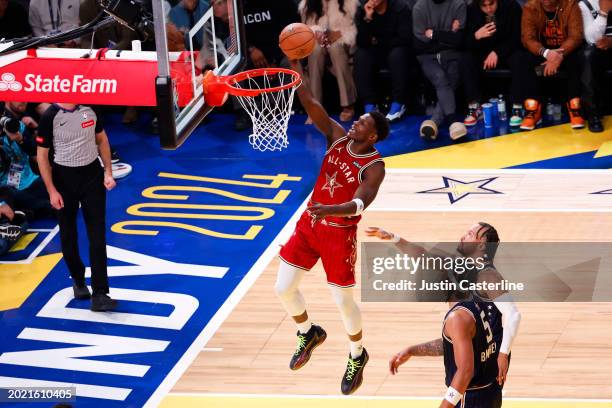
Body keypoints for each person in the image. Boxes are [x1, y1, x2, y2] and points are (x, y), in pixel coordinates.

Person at [276, 56, 389, 395]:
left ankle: (357, 354)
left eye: (363, 124)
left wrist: (330, 210)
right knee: (284, 288)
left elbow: (359, 202)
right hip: (311, 223)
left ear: (374, 137)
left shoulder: (375, 166)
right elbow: (311, 102)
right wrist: (295, 66)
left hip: (338, 233)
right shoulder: (337, 137)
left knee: (342, 300)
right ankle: (308, 332)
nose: (355, 124)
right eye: (358, 120)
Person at [366, 222, 521, 387]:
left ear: (482, 245)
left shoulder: (488, 276)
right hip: (478, 376)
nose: (462, 237)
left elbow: (514, 315)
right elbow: (423, 257)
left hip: (481, 375)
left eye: (469, 234)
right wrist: (393, 237)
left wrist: (503, 354)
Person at [36, 103, 118, 312]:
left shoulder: (91, 108)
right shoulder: (50, 116)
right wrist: (52, 191)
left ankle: (100, 293)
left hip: (92, 175)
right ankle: (78, 279)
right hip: (63, 179)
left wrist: (108, 171)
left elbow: (101, 138)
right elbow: (42, 156)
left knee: (97, 235)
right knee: (68, 234)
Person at [389, 297, 502, 407]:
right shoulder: (476, 304)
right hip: (490, 392)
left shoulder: (457, 317)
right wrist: (412, 351)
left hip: (469, 397)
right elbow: (458, 345)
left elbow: (465, 372)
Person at [518, 0, 586, 131]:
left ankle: (574, 106)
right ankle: (533, 109)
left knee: (576, 57)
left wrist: (559, 55)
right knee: (524, 57)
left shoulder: (570, 5)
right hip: (542, 52)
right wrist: (547, 53)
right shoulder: (530, 7)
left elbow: (576, 36)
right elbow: (527, 38)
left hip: (565, 51)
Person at [235, 0, 300, 130]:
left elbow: (292, 33)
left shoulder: (284, 4)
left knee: (289, 62)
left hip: (279, 53)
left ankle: (269, 108)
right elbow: (233, 36)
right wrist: (250, 49)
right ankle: (243, 111)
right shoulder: (238, 5)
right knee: (234, 64)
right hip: (249, 55)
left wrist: (274, 60)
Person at [461, 0, 524, 127]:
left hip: (506, 51)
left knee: (520, 57)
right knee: (466, 58)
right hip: (482, 52)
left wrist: (498, 52)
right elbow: (463, 43)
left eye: (492, 4)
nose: (489, 9)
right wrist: (476, 36)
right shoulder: (471, 9)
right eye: (484, 6)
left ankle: (517, 106)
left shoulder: (512, 6)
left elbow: (517, 38)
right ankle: (474, 107)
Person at [413, 0, 468, 140]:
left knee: (452, 76)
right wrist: (448, 35)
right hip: (427, 57)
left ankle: (434, 121)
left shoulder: (458, 4)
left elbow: (460, 40)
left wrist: (434, 35)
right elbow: (420, 45)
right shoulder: (419, 7)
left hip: (452, 55)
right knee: (440, 77)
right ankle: (452, 121)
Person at [299, 0, 358, 123]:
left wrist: (339, 34)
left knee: (336, 48)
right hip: (318, 43)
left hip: (343, 42)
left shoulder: (349, 2)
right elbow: (306, 30)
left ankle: (348, 105)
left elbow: (353, 29)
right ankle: (316, 107)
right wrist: (317, 33)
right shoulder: (306, 5)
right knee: (315, 50)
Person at [354, 0, 412, 122]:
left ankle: (399, 103)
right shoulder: (363, 11)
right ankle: (369, 105)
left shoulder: (401, 8)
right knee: (361, 55)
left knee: (398, 54)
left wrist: (377, 41)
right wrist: (368, 18)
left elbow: (405, 38)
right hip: (376, 53)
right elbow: (362, 42)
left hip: (396, 51)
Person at [579, 0, 611, 132]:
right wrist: (603, 13)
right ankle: (593, 114)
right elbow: (591, 38)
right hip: (602, 51)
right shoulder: (585, 4)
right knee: (588, 55)